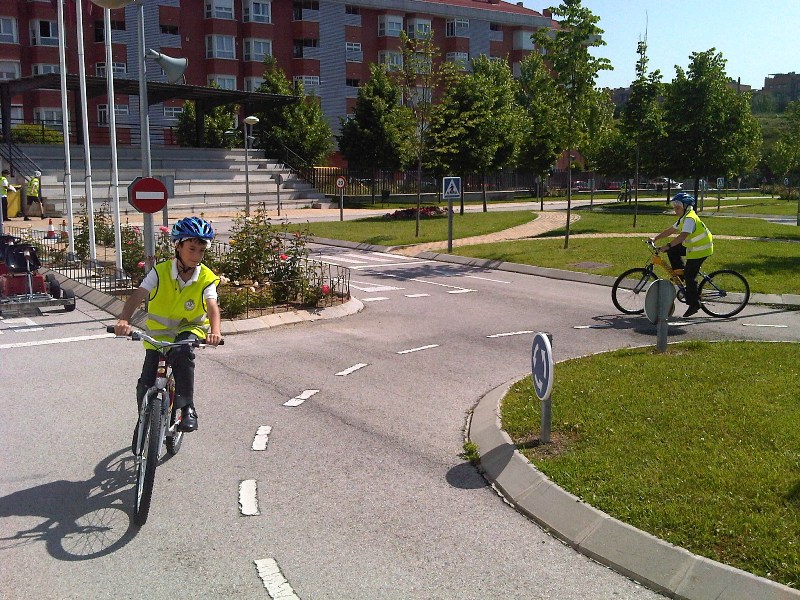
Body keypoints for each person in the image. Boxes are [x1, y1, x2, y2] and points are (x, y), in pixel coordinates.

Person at [114, 216, 222, 433]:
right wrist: (124, 319)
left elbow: (212, 307)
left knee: (183, 353)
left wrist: (215, 331)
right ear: (178, 246)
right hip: (159, 333)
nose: (197, 255)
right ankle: (143, 420)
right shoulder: (160, 272)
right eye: (191, 249)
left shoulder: (206, 277)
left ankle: (187, 408)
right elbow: (138, 295)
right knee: (146, 381)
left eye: (201, 250)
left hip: (189, 328)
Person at [652, 192, 713, 317]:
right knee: (673, 251)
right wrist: (655, 238)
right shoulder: (684, 217)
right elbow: (671, 230)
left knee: (690, 275)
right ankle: (680, 274)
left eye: (678, 207)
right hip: (693, 247)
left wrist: (667, 246)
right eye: (674, 207)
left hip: (701, 249)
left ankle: (694, 304)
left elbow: (682, 236)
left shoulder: (690, 218)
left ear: (685, 207)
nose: (675, 209)